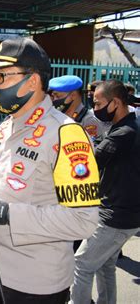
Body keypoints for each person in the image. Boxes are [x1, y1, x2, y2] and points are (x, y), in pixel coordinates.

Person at [0, 38, 100, 304]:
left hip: (35, 284)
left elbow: (84, 220)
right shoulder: (7, 126)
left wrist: (5, 213)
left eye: (1, 76)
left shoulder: (67, 135)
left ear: (33, 81)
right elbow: (6, 183)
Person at [69, 80, 140, 304]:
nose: (95, 108)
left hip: (115, 216)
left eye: (98, 103)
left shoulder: (123, 133)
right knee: (105, 266)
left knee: (81, 263)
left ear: (116, 102)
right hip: (127, 213)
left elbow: (90, 163)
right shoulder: (131, 126)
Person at [49, 75, 109, 142]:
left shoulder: (88, 121)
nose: (54, 100)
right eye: (53, 96)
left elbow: (92, 149)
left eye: (58, 96)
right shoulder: (57, 116)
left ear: (73, 95)